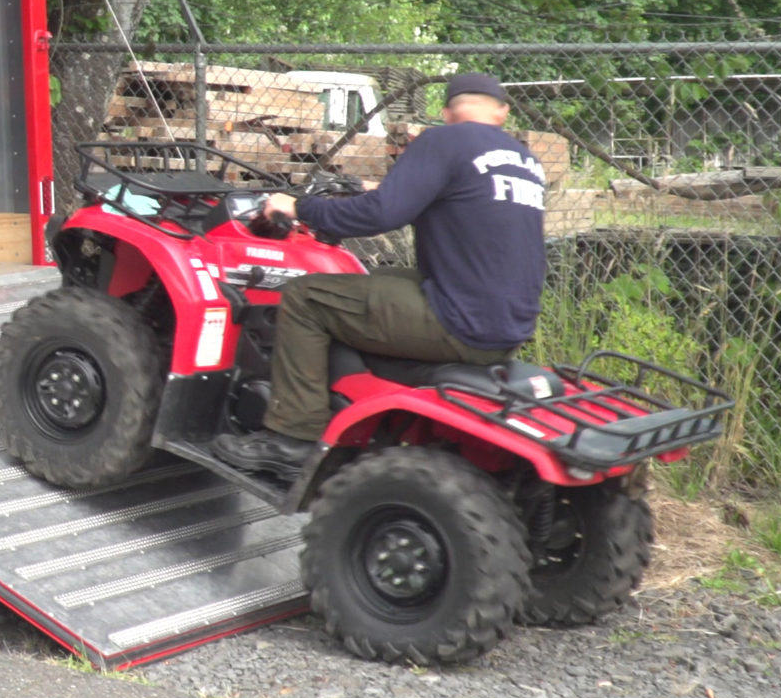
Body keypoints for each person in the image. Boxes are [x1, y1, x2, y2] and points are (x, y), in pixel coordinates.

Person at [215, 72, 549, 476]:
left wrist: (298, 207)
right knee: (387, 277)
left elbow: (382, 215)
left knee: (306, 297)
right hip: (508, 323)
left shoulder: (444, 140)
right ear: (501, 112)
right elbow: (464, 204)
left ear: (446, 112)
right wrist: (382, 186)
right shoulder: (526, 162)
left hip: (459, 322)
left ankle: (292, 438)